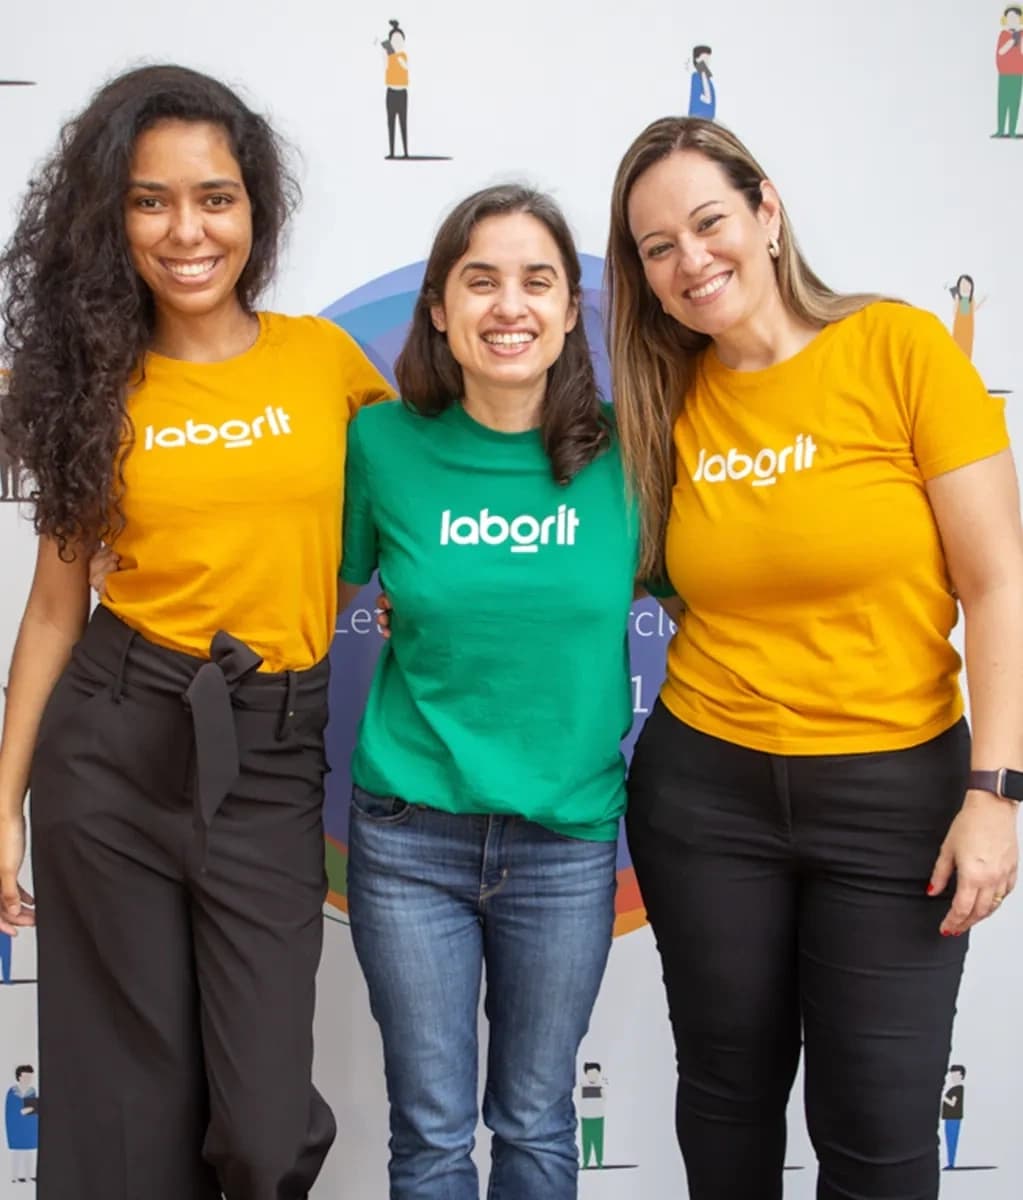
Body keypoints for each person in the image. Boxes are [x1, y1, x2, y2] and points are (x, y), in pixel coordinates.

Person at [605, 116, 1022, 1200]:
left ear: (768, 211)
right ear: (643, 279)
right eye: (658, 249)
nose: (692, 260)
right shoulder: (662, 410)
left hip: (900, 797)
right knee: (729, 1105)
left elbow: (1000, 583)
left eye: (708, 223)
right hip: (706, 795)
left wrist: (999, 791)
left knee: (881, 1136)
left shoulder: (899, 347)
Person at [0, 64, 393, 1199]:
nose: (187, 230)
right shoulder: (96, 387)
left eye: (215, 197)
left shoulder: (323, 361)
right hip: (114, 743)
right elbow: (53, 609)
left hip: (267, 753)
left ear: (254, 210)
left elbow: (425, 504)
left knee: (265, 1131)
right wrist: (5, 801)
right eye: (150, 200)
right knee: (129, 1117)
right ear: (109, 219)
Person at [340, 184, 637, 1199]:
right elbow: (305, 594)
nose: (508, 306)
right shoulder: (381, 447)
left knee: (539, 1126)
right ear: (438, 307)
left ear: (567, 311)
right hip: (409, 839)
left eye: (535, 281)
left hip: (568, 843)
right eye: (481, 281)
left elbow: (732, 586)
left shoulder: (629, 452)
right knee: (428, 1138)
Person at [382, 19, 410, 158]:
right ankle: (392, 152)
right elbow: (382, 45)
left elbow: (403, 65)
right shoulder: (389, 55)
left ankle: (405, 152)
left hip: (401, 93)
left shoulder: (401, 56)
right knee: (391, 122)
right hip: (391, 92)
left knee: (403, 123)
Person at [995, 6, 1023, 138]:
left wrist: (1020, 37)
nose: (1012, 20)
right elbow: (1001, 51)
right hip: (1004, 74)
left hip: (1017, 73)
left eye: (1015, 17)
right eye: (1010, 17)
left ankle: (1012, 131)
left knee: (1014, 103)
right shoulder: (1004, 34)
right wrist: (1013, 39)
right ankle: (1000, 130)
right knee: (1002, 102)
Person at [947, 273, 985, 360]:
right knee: (958, 348)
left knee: (967, 349)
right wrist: (956, 300)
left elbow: (973, 309)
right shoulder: (960, 300)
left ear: (971, 287)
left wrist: (982, 301)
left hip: (969, 330)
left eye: (967, 285)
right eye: (962, 285)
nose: (965, 287)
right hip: (959, 330)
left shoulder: (970, 300)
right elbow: (956, 312)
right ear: (958, 287)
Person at [941, 1064, 966, 1170]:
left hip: (953, 1118)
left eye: (955, 1074)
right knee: (950, 1140)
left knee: (951, 1140)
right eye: (952, 1074)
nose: (953, 1077)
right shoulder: (955, 1089)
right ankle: (950, 1162)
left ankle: (951, 1163)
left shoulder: (958, 1089)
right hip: (950, 1117)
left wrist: (943, 1097)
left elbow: (952, 1103)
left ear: (961, 1075)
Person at [687, 46, 716, 120]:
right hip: (700, 116)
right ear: (697, 59)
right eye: (704, 58)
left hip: (705, 116)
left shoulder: (705, 76)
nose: (707, 61)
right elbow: (708, 98)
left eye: (708, 58)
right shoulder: (699, 75)